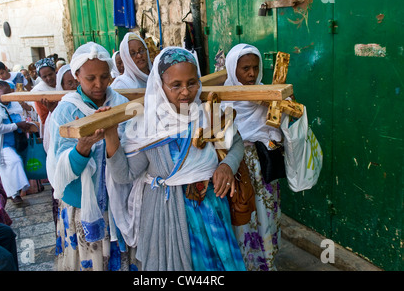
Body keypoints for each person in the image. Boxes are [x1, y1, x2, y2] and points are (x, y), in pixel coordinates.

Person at [105, 47, 246, 271]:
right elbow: (124, 175)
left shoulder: (210, 113)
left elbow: (236, 144)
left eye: (192, 83)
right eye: (176, 85)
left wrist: (227, 165)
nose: (185, 92)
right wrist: (110, 134)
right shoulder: (146, 126)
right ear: (160, 86)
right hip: (165, 215)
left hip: (210, 211)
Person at [46, 42, 137, 271]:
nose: (99, 84)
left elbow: (133, 150)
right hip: (83, 207)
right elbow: (60, 170)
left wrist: (112, 137)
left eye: (105, 77)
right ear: (76, 76)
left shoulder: (120, 105)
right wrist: (81, 150)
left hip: (119, 202)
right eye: (90, 78)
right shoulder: (67, 111)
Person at [222, 43, 283, 271]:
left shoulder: (266, 94)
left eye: (255, 68)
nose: (251, 74)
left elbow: (278, 126)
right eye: (245, 68)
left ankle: (266, 262)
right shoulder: (224, 99)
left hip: (263, 167)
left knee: (266, 213)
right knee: (244, 214)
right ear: (232, 70)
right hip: (240, 167)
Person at [30, 58, 57, 131]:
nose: (48, 78)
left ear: (55, 71)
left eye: (50, 74)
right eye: (44, 77)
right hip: (50, 125)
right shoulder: (38, 91)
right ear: (40, 77)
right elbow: (43, 116)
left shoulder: (63, 83)